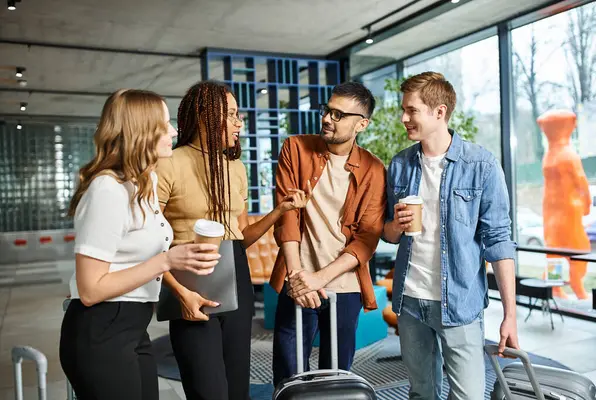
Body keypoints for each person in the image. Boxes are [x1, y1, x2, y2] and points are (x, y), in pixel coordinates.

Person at [59, 89, 222, 400]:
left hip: (133, 328)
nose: (174, 131)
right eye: (165, 124)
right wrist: (167, 261)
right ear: (142, 132)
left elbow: (136, 259)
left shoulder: (144, 183)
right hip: (101, 333)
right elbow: (91, 290)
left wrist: (183, 289)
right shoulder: (108, 190)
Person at [155, 80, 308, 400]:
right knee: (208, 389)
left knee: (238, 388)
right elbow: (148, 242)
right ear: (204, 115)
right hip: (189, 279)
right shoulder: (168, 162)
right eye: (231, 115)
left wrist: (280, 210)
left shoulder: (235, 167)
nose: (239, 123)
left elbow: (239, 239)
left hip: (235, 274)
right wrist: (179, 291)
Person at [382, 71, 519, 400]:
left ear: (439, 112)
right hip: (411, 301)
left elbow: (499, 243)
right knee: (421, 393)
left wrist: (510, 315)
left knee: (469, 395)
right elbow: (387, 235)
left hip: (460, 302)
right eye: (404, 110)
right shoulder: (400, 165)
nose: (404, 118)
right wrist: (396, 226)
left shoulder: (481, 165)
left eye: (411, 110)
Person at [270, 81, 387, 386]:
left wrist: (319, 279)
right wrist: (298, 278)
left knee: (336, 378)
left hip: (345, 286)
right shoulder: (295, 148)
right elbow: (287, 217)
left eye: (338, 115)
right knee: (288, 376)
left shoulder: (374, 169)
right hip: (297, 279)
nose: (327, 119)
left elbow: (366, 239)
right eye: (327, 110)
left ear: (361, 124)